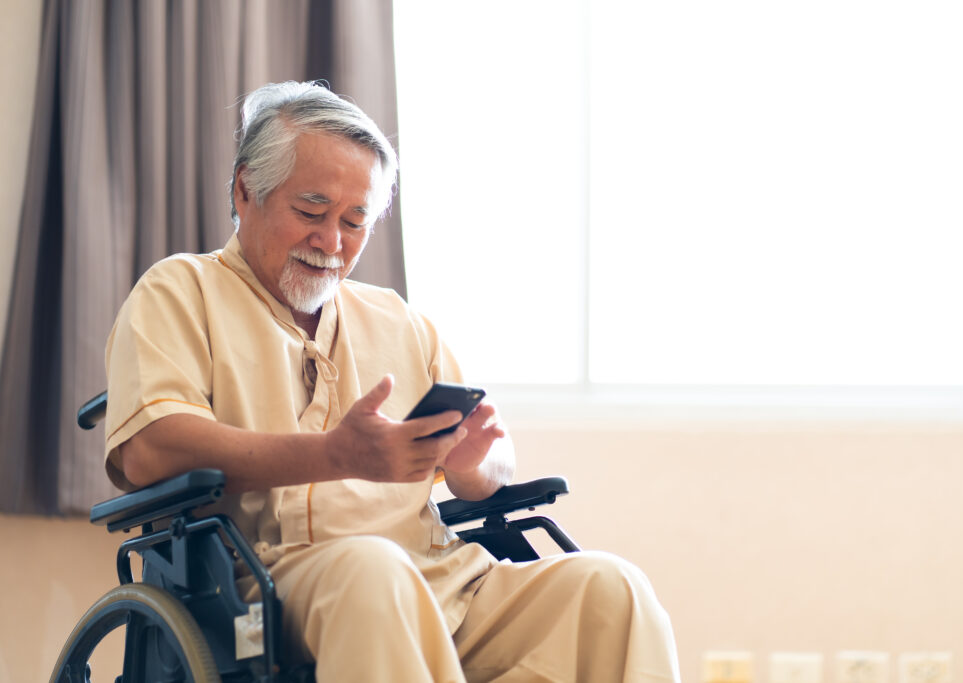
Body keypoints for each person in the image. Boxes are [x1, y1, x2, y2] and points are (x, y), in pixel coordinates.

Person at [104, 80, 680, 682]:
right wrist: (333, 455)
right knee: (375, 571)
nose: (331, 243)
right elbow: (150, 447)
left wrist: (473, 466)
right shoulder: (180, 291)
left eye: (355, 222)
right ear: (246, 190)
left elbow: (493, 456)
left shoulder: (398, 320)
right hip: (271, 583)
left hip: (441, 576)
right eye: (310, 212)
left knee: (612, 590)